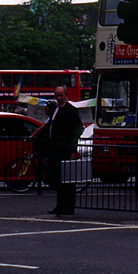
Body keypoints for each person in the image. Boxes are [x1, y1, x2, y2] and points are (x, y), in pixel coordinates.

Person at [35, 84, 84, 215]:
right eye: (57, 95)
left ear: (66, 96)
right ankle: (60, 205)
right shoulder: (56, 109)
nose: (59, 98)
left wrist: (73, 150)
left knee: (67, 180)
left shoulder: (71, 110)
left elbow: (77, 130)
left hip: (66, 149)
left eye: (61, 95)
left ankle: (68, 206)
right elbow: (50, 125)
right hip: (56, 149)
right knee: (59, 180)